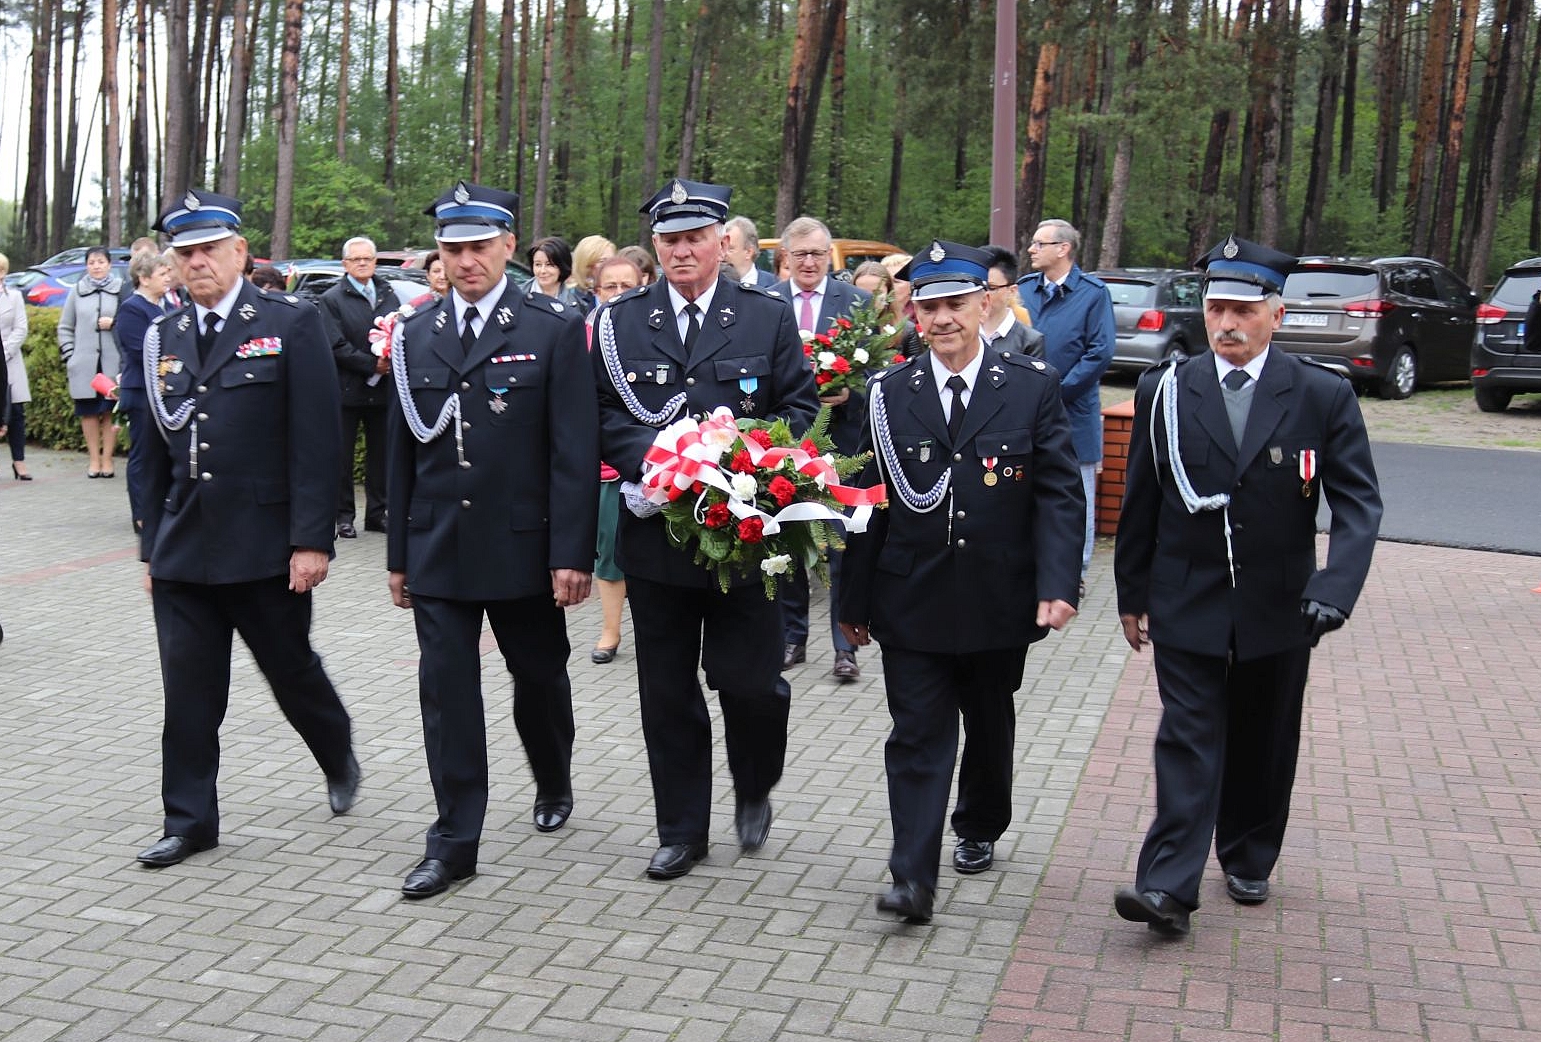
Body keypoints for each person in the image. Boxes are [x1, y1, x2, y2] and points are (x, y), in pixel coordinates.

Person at [1112, 235, 1383, 938]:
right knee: (1188, 738)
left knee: (1263, 735)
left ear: (1274, 313)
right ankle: (1166, 886)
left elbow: (1357, 503)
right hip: (1185, 595)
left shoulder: (1320, 393)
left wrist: (1336, 586)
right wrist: (1130, 594)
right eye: (1214, 309)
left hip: (1279, 601)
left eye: (1240, 309)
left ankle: (1247, 850)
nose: (1225, 323)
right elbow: (1140, 498)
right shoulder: (1165, 389)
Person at [839, 241, 1086, 925]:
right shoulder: (887, 394)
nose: (942, 319)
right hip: (909, 596)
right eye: (929, 306)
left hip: (997, 596)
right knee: (916, 734)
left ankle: (978, 822)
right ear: (912, 313)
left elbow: (1059, 495)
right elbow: (867, 503)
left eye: (954, 304)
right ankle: (911, 878)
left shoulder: (1031, 385)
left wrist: (1058, 581)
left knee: (986, 718)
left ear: (985, 303)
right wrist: (851, 603)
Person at [592, 178, 818, 880]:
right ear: (655, 247)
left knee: (751, 684)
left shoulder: (764, 316)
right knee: (665, 692)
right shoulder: (622, 320)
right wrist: (659, 461)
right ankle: (681, 830)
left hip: (742, 537)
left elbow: (800, 406)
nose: (681, 250)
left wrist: (748, 460)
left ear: (721, 242)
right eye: (669, 240)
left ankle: (753, 784)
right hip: (657, 535)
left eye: (694, 238)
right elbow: (600, 413)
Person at [134, 189, 358, 869]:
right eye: (185, 253)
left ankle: (335, 749)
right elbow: (148, 449)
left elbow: (320, 438)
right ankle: (190, 821)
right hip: (184, 549)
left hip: (265, 547)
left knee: (291, 672)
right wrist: (150, 545)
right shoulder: (161, 337)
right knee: (190, 695)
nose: (196, 262)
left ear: (239, 251)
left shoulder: (290, 320)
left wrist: (312, 539)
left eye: (208, 249)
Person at [386, 182, 598, 900]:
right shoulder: (415, 331)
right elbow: (402, 449)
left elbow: (574, 449)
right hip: (439, 546)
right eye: (453, 249)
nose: (466, 260)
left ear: (510, 246)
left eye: (479, 246)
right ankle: (453, 842)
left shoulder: (550, 325)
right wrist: (397, 555)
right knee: (445, 693)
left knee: (537, 678)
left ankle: (552, 772)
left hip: (523, 545)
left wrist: (571, 553)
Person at [771, 216, 873, 680]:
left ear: (828, 256)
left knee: (841, 547)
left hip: (843, 443)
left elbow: (881, 375)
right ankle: (792, 637)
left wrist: (852, 394)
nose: (808, 262)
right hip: (785, 447)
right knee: (790, 542)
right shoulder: (767, 303)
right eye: (800, 255)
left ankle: (844, 647)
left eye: (816, 254)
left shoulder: (858, 302)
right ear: (786, 258)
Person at [1016, 220, 1114, 591]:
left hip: (1073, 411)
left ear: (1063, 249)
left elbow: (1100, 352)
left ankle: (1077, 572)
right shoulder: (1024, 290)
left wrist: (1056, 391)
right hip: (1024, 410)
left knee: (1079, 493)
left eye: (1040, 243)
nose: (1031, 249)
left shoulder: (1093, 293)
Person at [318, 236, 399, 539]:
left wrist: (388, 360)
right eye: (356, 259)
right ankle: (343, 516)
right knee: (342, 457)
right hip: (346, 388)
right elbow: (334, 344)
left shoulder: (389, 293)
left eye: (367, 258)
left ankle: (378, 514)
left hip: (383, 388)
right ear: (345, 264)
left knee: (381, 456)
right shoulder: (332, 298)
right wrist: (370, 364)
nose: (362, 263)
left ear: (375, 261)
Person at [587, 254, 643, 665]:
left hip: (654, 468)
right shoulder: (583, 334)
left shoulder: (654, 332)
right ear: (596, 291)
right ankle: (610, 630)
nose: (620, 294)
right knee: (608, 552)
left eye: (629, 286)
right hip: (605, 469)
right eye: (611, 287)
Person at [114, 249, 176, 531]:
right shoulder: (132, 308)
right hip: (140, 390)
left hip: (162, 390)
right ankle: (141, 513)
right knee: (142, 452)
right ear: (143, 277)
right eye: (162, 274)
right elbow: (141, 351)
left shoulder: (164, 306)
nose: (169, 278)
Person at [58, 246, 124, 478]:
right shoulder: (77, 291)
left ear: (109, 265)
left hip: (112, 363)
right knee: (88, 413)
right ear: (86, 266)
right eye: (92, 262)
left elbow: (128, 321)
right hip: (84, 364)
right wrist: (70, 356)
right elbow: (65, 326)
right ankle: (94, 460)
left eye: (100, 262)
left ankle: (108, 460)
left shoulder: (120, 289)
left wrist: (114, 323)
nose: (96, 266)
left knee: (108, 412)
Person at [0, 253, 31, 480]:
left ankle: (19, 461)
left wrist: (5, 352)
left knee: (16, 413)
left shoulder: (14, 297)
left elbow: (21, 328)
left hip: (10, 360)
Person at [979, 246, 1041, 357]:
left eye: (991, 288)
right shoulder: (960, 332)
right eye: (977, 287)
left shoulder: (1029, 341)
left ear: (1012, 291)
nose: (983, 294)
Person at [529, 236, 583, 309]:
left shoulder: (576, 304)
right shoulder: (517, 295)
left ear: (562, 266)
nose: (542, 271)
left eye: (549, 264)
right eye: (538, 264)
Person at [724, 216, 778, 289]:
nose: (722, 253)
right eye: (722, 247)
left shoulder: (774, 284)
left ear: (749, 252)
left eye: (730, 249)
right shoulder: (712, 284)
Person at [568, 234, 615, 314]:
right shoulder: (570, 299)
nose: (609, 265)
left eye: (612, 260)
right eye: (602, 261)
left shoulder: (621, 292)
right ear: (587, 263)